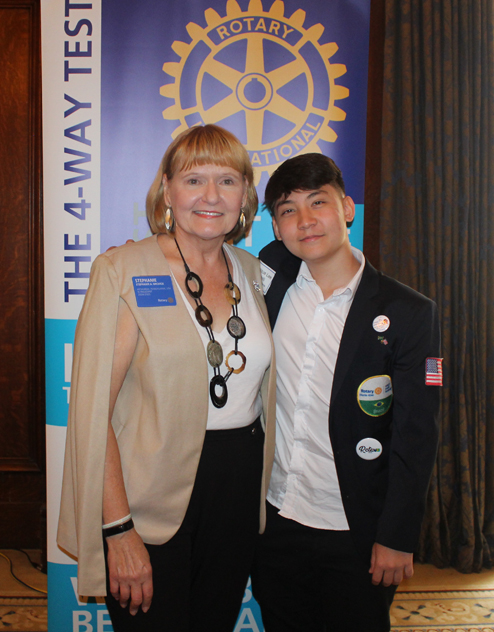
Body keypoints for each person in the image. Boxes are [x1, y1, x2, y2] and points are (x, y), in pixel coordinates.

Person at [57, 124, 276, 632]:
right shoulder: (123, 268)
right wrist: (118, 530)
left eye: (227, 180)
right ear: (167, 190)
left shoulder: (252, 270)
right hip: (149, 495)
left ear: (245, 195)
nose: (210, 195)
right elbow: (95, 413)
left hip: (238, 485)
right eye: (194, 178)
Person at [251, 153, 441, 631]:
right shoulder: (269, 276)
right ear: (275, 227)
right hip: (276, 521)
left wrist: (397, 535)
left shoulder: (409, 312)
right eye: (288, 209)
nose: (305, 220)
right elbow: (202, 260)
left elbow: (417, 434)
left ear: (348, 208)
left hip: (355, 529)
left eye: (318, 202)